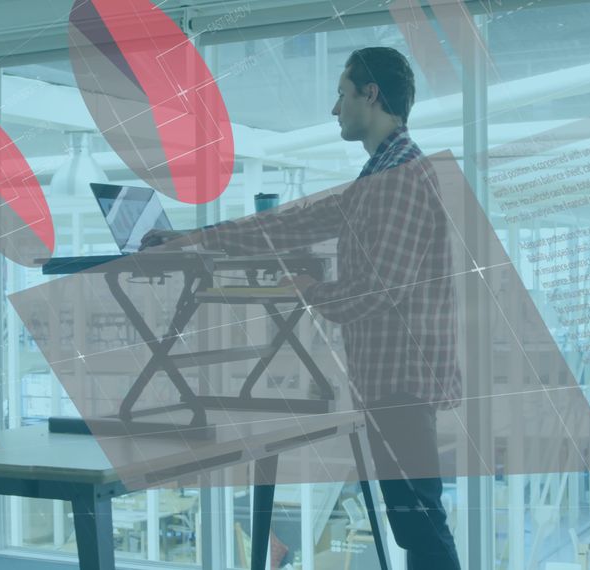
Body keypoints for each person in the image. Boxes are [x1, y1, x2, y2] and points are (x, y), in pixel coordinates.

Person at [142, 47, 462, 570]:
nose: (335, 109)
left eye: (341, 94)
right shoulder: (380, 173)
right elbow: (292, 226)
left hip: (401, 384)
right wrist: (191, 239)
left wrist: (309, 287)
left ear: (371, 94)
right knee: (415, 525)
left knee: (421, 526)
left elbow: (375, 291)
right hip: (388, 380)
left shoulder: (400, 177)